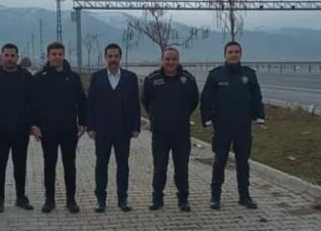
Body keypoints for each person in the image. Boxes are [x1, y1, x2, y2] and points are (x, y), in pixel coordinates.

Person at [200, 41, 266, 210]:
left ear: (240, 54)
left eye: (236, 52)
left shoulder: (249, 74)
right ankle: (215, 196)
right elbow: (206, 99)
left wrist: (260, 117)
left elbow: (256, 96)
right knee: (219, 161)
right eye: (230, 52)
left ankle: (244, 196)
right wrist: (207, 120)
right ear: (225, 55)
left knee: (243, 162)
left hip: (243, 126)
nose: (234, 54)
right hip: (222, 126)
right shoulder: (216, 75)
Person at [30, 42, 86, 214]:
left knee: (70, 166)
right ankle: (49, 200)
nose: (57, 57)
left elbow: (82, 101)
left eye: (60, 54)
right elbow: (33, 104)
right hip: (47, 130)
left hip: (69, 129)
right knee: (49, 166)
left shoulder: (73, 77)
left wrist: (82, 122)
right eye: (53, 54)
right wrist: (34, 125)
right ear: (48, 56)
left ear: (64, 55)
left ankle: (71, 200)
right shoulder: (39, 78)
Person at [141, 48, 199, 212]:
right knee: (160, 167)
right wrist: (155, 116)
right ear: (162, 60)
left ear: (178, 60)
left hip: (181, 133)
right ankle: (157, 199)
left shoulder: (188, 79)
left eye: (174, 59)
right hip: (160, 133)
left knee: (182, 167)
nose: (170, 62)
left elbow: (194, 101)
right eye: (167, 59)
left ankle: (183, 200)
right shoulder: (152, 79)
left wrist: (182, 114)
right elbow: (145, 100)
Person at [86, 43, 141, 213]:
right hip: (102, 130)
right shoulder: (97, 77)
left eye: (116, 56)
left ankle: (122, 199)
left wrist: (136, 127)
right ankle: (100, 200)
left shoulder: (130, 78)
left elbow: (135, 104)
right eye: (110, 56)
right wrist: (90, 127)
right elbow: (90, 103)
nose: (113, 59)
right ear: (105, 58)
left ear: (120, 57)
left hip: (123, 130)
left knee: (123, 165)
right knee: (101, 164)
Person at [0, 43, 35, 213]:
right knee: (0, 165)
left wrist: (31, 124)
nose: (10, 59)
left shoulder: (26, 76)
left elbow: (33, 103)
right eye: (7, 55)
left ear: (17, 57)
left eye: (13, 56)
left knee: (20, 165)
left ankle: (21, 197)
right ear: (2, 56)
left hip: (21, 130)